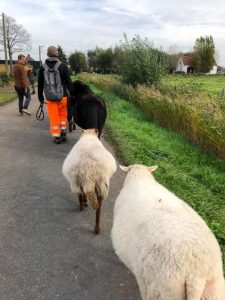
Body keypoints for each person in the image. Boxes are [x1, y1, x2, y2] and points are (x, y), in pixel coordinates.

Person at [38, 46, 73, 144]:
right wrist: (72, 94)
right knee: (63, 114)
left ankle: (57, 136)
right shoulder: (63, 66)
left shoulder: (42, 67)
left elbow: (40, 84)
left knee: (54, 116)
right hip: (63, 96)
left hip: (50, 97)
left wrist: (40, 97)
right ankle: (63, 132)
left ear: (48, 54)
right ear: (57, 54)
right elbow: (69, 82)